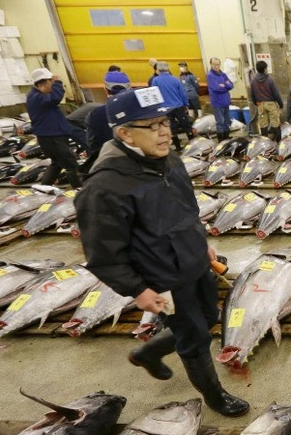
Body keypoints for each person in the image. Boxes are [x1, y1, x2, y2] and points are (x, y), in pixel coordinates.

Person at [74, 86, 249, 417]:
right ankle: (215, 396)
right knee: (195, 336)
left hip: (194, 262)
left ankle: (148, 353)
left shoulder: (169, 161)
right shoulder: (104, 187)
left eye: (164, 121)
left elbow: (185, 210)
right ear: (124, 133)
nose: (165, 131)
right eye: (151, 126)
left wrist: (200, 240)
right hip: (162, 277)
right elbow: (102, 254)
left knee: (210, 317)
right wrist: (138, 290)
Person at [26, 68, 81, 188]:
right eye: (51, 82)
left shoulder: (39, 96)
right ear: (41, 84)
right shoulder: (36, 97)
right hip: (52, 138)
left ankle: (44, 188)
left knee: (57, 163)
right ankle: (80, 190)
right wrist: (58, 82)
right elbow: (55, 97)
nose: (52, 85)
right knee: (71, 164)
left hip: (52, 137)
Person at [81, 70, 131, 174]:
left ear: (106, 90)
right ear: (129, 88)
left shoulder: (95, 114)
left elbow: (92, 143)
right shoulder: (138, 110)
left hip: (108, 166)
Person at [151, 62, 192, 151]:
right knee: (186, 126)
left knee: (171, 128)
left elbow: (154, 96)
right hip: (178, 107)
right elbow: (183, 94)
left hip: (165, 109)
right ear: (168, 69)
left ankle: (178, 148)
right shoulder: (175, 79)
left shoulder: (155, 81)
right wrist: (186, 104)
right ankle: (192, 144)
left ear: (158, 70)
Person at [249, 60, 284, 141]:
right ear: (265, 69)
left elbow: (252, 95)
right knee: (275, 123)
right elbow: (276, 94)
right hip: (271, 104)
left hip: (260, 105)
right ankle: (278, 142)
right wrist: (281, 104)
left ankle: (265, 143)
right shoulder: (270, 80)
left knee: (263, 125)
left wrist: (256, 103)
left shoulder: (253, 81)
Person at [206, 57, 234, 140]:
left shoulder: (223, 74)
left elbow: (231, 85)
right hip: (217, 102)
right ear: (211, 64)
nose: (216, 66)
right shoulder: (210, 75)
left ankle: (226, 137)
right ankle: (221, 139)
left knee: (227, 120)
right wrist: (226, 85)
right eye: (214, 64)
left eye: (218, 64)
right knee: (220, 121)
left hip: (226, 101)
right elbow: (216, 88)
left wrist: (223, 85)